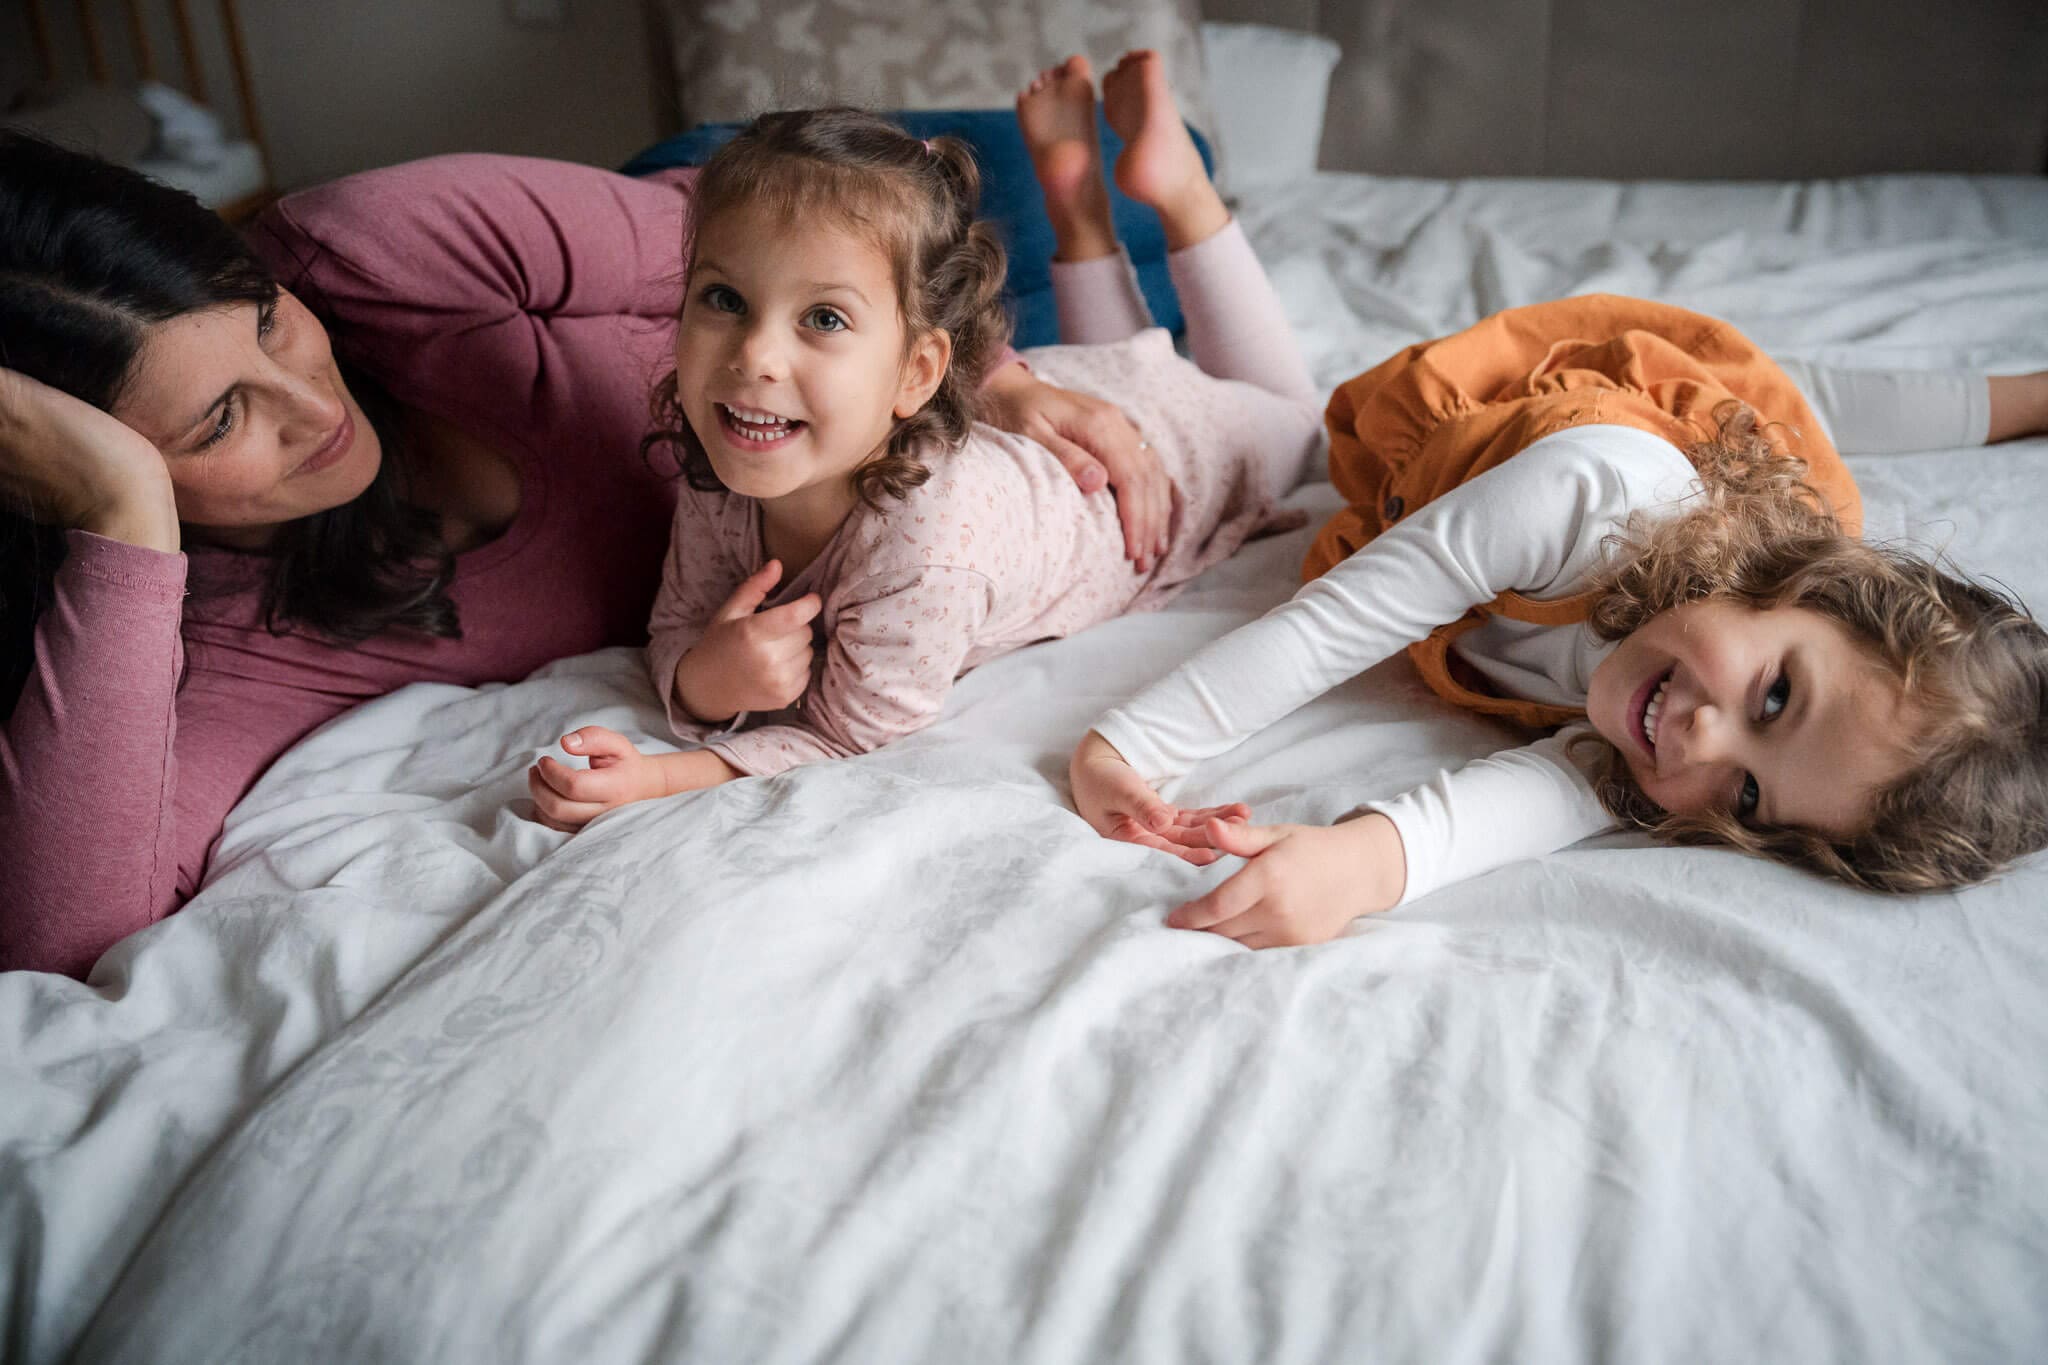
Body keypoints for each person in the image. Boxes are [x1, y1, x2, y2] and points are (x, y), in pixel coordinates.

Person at [0, 133, 1167, 979]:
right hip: (813, 334)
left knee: (1095, 187)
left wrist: (989, 378)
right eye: (218, 423)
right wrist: (116, 513)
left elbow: (769, 252)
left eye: (266, 324)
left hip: (763, 232)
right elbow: (60, 936)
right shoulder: (230, 640)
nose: (312, 408)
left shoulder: (370, 249)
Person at [1070, 295, 2048, 949]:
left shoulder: (1680, 767)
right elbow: (1336, 623)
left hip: (1720, 565)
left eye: (1748, 796)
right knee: (1800, 406)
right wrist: (1130, 746)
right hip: (1532, 449)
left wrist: (1361, 864)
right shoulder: (1594, 493)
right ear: (1801, 594)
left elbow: (1565, 789)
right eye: (1774, 695)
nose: (1703, 741)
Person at [523, 52, 1324, 830]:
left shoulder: (924, 543)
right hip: (1073, 397)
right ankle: (1076, 203)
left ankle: (1178, 196)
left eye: (824, 318)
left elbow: (847, 736)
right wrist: (704, 679)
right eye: (725, 297)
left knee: (1297, 421)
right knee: (1124, 364)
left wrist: (662, 774)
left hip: (1164, 453)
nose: (753, 359)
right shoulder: (725, 459)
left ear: (916, 374)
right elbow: (679, 623)